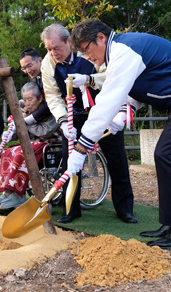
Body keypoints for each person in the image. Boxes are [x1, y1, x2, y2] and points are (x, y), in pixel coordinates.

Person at [69, 19, 171, 248]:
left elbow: (107, 100)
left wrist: (82, 146)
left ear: (101, 37)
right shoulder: (121, 50)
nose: (87, 57)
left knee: (167, 154)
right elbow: (136, 87)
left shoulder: (124, 50)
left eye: (86, 49)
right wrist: (123, 115)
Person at [40, 23, 136, 224]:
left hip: (103, 110)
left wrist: (89, 79)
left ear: (68, 41)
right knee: (70, 160)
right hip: (73, 116)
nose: (53, 53)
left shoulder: (87, 50)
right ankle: (70, 209)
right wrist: (63, 121)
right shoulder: (48, 63)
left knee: (116, 157)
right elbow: (52, 96)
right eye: (48, 49)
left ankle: (125, 208)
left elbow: (112, 74)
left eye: (56, 47)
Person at [0, 82, 59, 209]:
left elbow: (44, 131)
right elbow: (21, 132)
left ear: (40, 99)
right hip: (33, 146)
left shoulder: (51, 109)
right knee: (7, 151)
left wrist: (24, 122)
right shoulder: (26, 112)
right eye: (25, 99)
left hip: (50, 146)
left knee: (19, 152)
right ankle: (9, 192)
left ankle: (18, 194)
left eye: (30, 99)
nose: (27, 103)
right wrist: (10, 133)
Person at [18, 48, 51, 125]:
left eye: (29, 65)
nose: (28, 71)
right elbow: (36, 94)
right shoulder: (34, 77)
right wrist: (23, 102)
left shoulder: (51, 74)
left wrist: (30, 118)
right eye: (24, 68)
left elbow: (51, 100)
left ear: (40, 60)